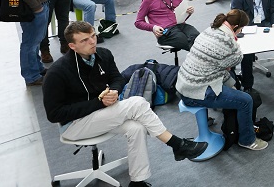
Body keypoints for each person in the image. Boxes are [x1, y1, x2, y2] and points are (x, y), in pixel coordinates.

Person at [44, 21, 207, 187]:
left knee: (137, 128)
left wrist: (114, 90)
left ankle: (137, 181)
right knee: (137, 103)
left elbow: (117, 78)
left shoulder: (103, 54)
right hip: (74, 125)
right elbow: (54, 114)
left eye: (93, 35)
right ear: (72, 46)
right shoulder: (57, 72)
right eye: (84, 40)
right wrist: (99, 103)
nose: (92, 42)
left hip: (100, 114)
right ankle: (177, 144)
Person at [176, 10, 268, 152]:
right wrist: (235, 43)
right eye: (241, 29)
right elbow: (238, 58)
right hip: (196, 93)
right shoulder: (228, 42)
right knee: (246, 101)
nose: (240, 32)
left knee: (231, 78)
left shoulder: (210, 30)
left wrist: (232, 86)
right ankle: (248, 140)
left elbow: (219, 68)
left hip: (184, 84)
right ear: (236, 26)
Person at [232, 0, 274, 90]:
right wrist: (243, 28)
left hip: (266, 22)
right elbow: (236, 16)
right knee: (247, 51)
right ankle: (248, 85)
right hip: (248, 25)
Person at [135, 0, 199, 51]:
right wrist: (153, 28)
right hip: (165, 31)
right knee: (191, 45)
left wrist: (188, 13)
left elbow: (181, 18)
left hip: (180, 26)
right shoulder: (148, 0)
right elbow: (138, 22)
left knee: (198, 39)